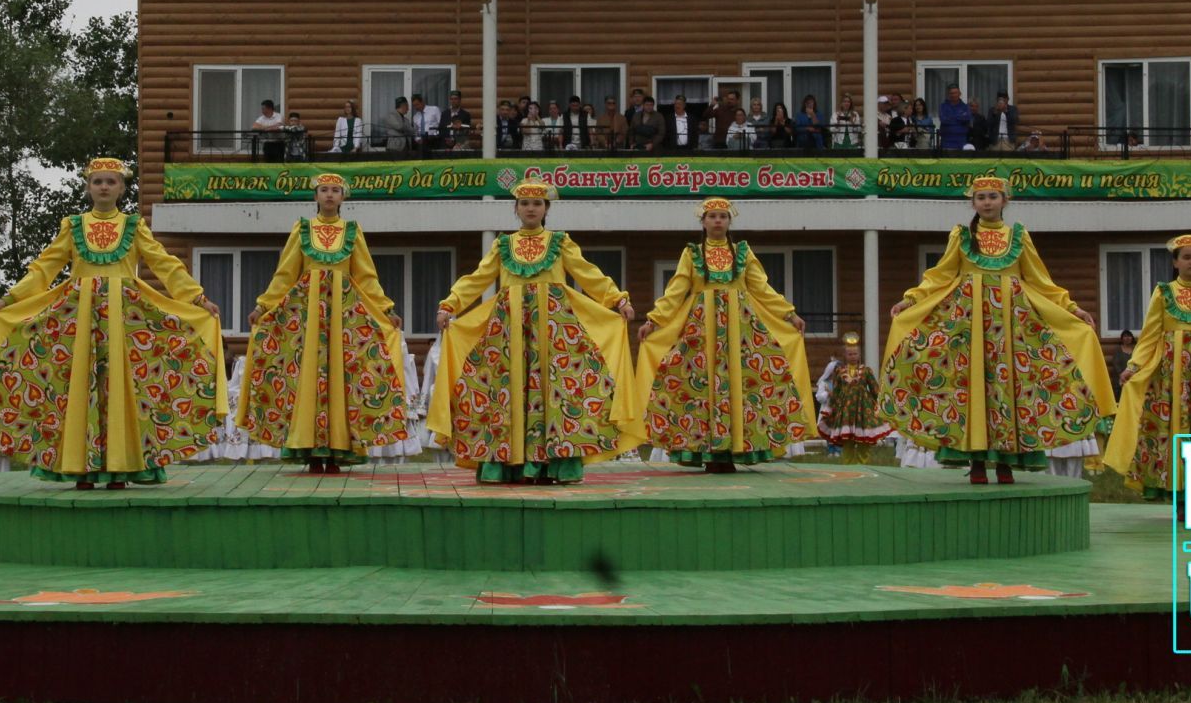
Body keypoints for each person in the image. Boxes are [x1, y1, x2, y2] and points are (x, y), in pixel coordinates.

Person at [0, 158, 223, 489]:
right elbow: (44, 267)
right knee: (77, 386)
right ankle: (80, 466)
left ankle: (121, 466)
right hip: (78, 318)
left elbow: (165, 264)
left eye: (110, 181)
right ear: (88, 187)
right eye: (98, 181)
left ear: (121, 188)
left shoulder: (134, 226)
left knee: (124, 388)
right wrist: (10, 300)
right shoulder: (74, 225)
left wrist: (197, 299)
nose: (104, 187)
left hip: (126, 319)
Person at [880, 176, 1115, 485]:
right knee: (973, 390)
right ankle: (977, 462)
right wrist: (911, 299)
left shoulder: (1019, 236)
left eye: (993, 196)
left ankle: (1006, 462)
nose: (987, 202)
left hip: (1011, 331)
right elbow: (940, 275)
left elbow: (1041, 281)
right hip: (969, 329)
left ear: (1005, 201)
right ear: (973, 203)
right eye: (981, 197)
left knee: (1009, 391)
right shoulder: (962, 236)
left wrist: (1072, 309)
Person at [428, 181, 641, 484]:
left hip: (554, 329)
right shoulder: (502, 245)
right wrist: (449, 305)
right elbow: (477, 278)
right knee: (503, 392)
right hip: (508, 329)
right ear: (515, 209)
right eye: (525, 203)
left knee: (559, 392)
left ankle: (555, 464)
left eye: (537, 203)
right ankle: (506, 463)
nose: (531, 208)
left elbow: (587, 273)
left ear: (546, 209)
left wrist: (617, 299)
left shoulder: (560, 242)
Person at [238, 171, 410, 472]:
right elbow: (286, 273)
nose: (329, 195)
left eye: (335, 190)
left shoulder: (353, 231)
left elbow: (367, 277)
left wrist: (386, 309)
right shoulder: (302, 229)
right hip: (306, 316)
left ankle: (338, 448)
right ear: (315, 196)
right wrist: (263, 305)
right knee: (306, 377)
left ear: (343, 197)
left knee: (342, 378)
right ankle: (310, 449)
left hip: (344, 316)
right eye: (324, 190)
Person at [635, 198, 815, 471]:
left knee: (746, 384)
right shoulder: (692, 253)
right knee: (696, 385)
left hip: (741, 331)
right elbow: (676, 289)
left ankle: (737, 448)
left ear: (730, 222)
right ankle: (705, 451)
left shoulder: (743, 251)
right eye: (712, 216)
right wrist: (654, 320)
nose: (718, 220)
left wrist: (789, 314)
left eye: (723, 216)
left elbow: (761, 288)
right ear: (703, 222)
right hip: (701, 329)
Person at [1102, 234, 1191, 513]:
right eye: (1186, 257)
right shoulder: (1164, 292)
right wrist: (1133, 366)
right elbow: (1150, 335)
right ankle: (1180, 496)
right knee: (1174, 431)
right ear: (1175, 262)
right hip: (1170, 378)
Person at [817, 334, 889, 463]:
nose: (853, 356)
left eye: (855, 354)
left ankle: (864, 466)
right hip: (846, 411)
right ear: (845, 355)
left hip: (863, 410)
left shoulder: (866, 371)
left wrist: (882, 406)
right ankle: (848, 467)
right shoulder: (839, 371)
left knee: (863, 439)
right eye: (850, 354)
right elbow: (837, 392)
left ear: (859, 355)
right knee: (847, 440)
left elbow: (875, 390)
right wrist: (829, 409)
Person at [936, 86, 974, 151]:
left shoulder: (965, 107)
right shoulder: (943, 106)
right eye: (951, 93)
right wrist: (959, 117)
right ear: (948, 94)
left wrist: (951, 117)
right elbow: (944, 120)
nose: (953, 95)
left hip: (962, 141)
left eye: (955, 93)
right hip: (947, 142)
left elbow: (967, 118)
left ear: (959, 94)